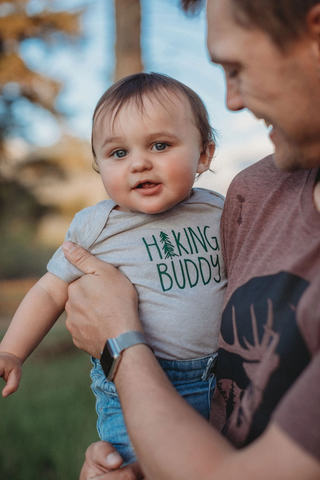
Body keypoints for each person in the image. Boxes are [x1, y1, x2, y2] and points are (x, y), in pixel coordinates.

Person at [61, 0, 320, 479]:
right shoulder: (255, 195)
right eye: (118, 151)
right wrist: (149, 460)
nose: (232, 101)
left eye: (236, 68)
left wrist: (121, 344)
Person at [0, 73, 227, 464]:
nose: (139, 163)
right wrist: (12, 351)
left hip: (224, 378)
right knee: (139, 468)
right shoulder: (96, 226)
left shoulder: (217, 210)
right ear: (98, 165)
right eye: (118, 153)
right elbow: (50, 290)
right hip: (132, 386)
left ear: (204, 155)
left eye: (160, 145)